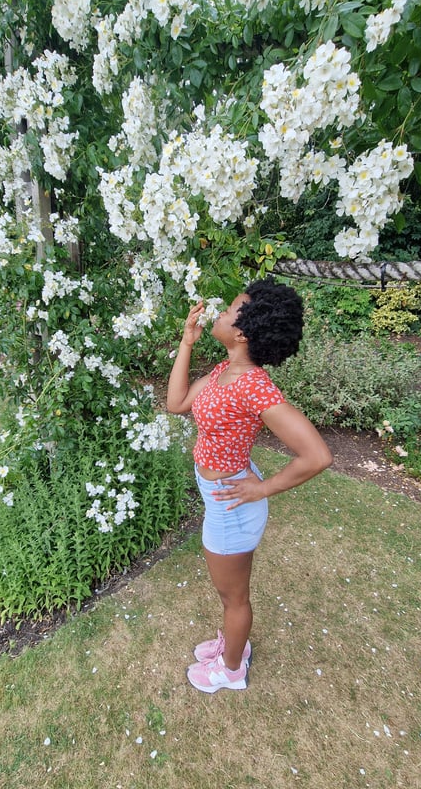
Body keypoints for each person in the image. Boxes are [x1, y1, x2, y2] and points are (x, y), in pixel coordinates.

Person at [166, 277, 333, 693]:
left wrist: (262, 488)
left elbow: (317, 456)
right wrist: (187, 342)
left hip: (233, 506)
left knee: (234, 598)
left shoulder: (255, 387)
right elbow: (177, 403)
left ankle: (231, 669)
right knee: (230, 595)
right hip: (220, 497)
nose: (219, 313)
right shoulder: (226, 370)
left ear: (241, 332)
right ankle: (231, 647)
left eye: (229, 310)